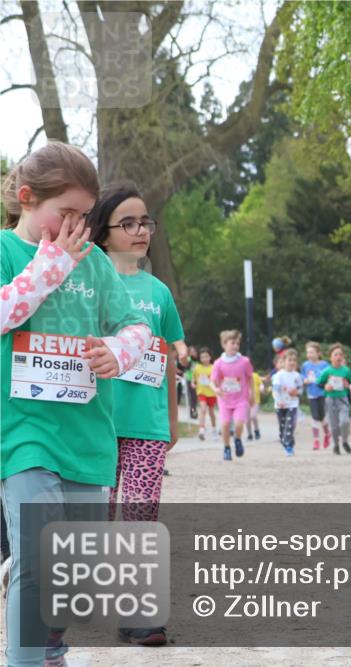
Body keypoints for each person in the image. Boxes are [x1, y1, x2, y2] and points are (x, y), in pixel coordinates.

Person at [1, 142, 153, 666]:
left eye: (85, 216)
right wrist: (49, 266)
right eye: (65, 212)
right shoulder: (7, 251)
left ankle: (49, 643)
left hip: (88, 436)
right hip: (23, 433)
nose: (76, 227)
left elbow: (137, 326)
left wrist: (118, 351)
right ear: (27, 198)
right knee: (39, 557)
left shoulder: (95, 264)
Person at [85, 181, 186, 646]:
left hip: (147, 425)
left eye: (145, 221)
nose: (141, 230)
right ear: (103, 233)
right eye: (128, 223)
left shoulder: (159, 292)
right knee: (96, 519)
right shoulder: (84, 285)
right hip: (96, 422)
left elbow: (167, 359)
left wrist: (171, 421)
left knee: (140, 517)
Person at [210, 329, 255, 461]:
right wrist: (216, 390)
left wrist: (252, 393)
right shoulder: (218, 363)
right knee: (225, 424)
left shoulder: (244, 361)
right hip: (224, 400)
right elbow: (212, 381)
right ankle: (226, 448)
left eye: (237, 343)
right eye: (232, 343)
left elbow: (250, 377)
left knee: (239, 424)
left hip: (241, 399)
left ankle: (237, 439)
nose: (235, 346)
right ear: (224, 344)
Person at [316, 344, 351, 454]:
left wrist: (348, 385)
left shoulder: (346, 371)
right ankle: (336, 444)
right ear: (330, 357)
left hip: (343, 399)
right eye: (335, 354)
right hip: (330, 400)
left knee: (345, 422)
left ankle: (345, 441)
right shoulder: (327, 371)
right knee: (334, 426)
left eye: (340, 354)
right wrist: (325, 386)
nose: (338, 356)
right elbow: (319, 383)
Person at [271, 348, 304, 455]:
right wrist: (279, 401)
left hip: (292, 404)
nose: (292, 362)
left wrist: (297, 392)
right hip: (280, 405)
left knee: (290, 425)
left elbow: (301, 389)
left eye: (294, 360)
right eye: (289, 360)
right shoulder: (279, 375)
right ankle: (287, 441)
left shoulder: (297, 376)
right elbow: (275, 390)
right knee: (282, 427)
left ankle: (288, 446)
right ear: (284, 361)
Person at [301, 341, 332, 450]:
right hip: (312, 394)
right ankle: (316, 440)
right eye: (308, 352)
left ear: (318, 353)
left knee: (322, 417)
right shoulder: (305, 365)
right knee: (314, 417)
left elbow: (330, 376)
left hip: (323, 394)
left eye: (312, 352)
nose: (309, 355)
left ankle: (327, 434)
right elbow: (302, 376)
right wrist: (304, 380)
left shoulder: (325, 365)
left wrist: (325, 382)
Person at [193, 348, 217, 440]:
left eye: (206, 356)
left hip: (212, 393)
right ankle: (201, 430)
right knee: (203, 409)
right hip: (201, 392)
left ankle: (214, 429)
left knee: (211, 413)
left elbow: (217, 379)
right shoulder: (198, 367)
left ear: (210, 357)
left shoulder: (213, 367)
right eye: (202, 357)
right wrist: (193, 383)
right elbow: (194, 379)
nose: (204, 359)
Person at [248, 368, 264, 441]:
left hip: (255, 400)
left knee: (253, 416)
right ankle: (249, 434)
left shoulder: (255, 375)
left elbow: (261, 384)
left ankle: (256, 430)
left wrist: (261, 388)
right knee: (247, 419)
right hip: (244, 401)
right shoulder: (241, 376)